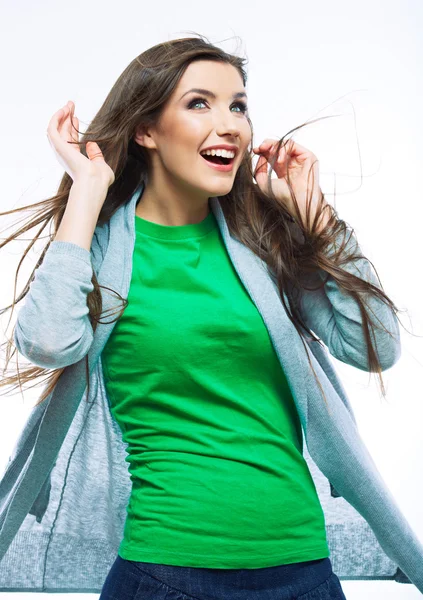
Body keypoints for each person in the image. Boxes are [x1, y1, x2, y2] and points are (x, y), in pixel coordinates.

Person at [1, 34, 422, 599]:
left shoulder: (263, 240)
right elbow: (49, 341)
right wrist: (87, 191)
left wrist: (318, 221)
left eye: (239, 105)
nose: (231, 125)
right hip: (165, 574)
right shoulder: (100, 252)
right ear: (146, 130)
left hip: (304, 571)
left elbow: (374, 347)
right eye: (200, 103)